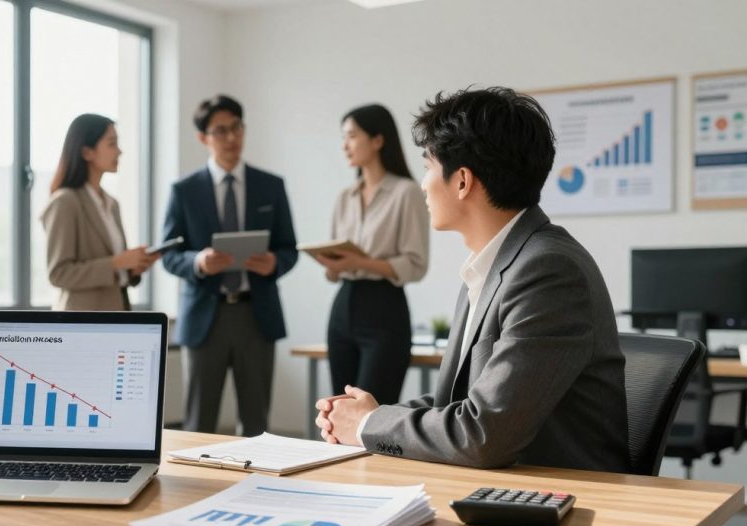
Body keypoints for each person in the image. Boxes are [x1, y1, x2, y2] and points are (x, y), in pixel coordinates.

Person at [315, 87, 630, 473]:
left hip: (567, 501)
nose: (423, 184)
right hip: (501, 485)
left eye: (428, 167)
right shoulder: (493, 264)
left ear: (462, 181)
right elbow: (455, 402)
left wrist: (367, 424)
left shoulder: (548, 271)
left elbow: (483, 434)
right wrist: (367, 414)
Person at [161, 95, 298, 436]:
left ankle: (257, 489)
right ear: (203, 138)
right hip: (205, 317)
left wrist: (274, 263)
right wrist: (198, 262)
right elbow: (168, 254)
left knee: (256, 425)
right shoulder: (184, 190)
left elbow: (289, 248)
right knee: (198, 422)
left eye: (236, 128)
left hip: (257, 314)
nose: (231, 138)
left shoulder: (271, 186)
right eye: (220, 131)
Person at [312, 104, 429, 406]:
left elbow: (416, 265)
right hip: (342, 307)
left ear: (378, 140)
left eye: (351, 136)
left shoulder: (407, 192)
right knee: (338, 409)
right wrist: (333, 265)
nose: (345, 145)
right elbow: (333, 272)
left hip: (384, 310)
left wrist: (359, 263)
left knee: (372, 415)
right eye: (344, 137)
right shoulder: (344, 197)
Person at [41, 114, 158, 311]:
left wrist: (132, 267)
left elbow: (115, 270)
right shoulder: (65, 202)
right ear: (87, 152)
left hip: (116, 315)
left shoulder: (112, 204)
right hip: (81, 322)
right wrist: (115, 262)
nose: (119, 152)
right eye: (112, 144)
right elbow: (59, 273)